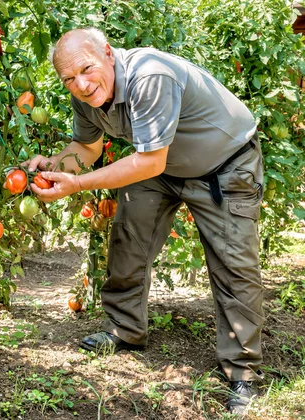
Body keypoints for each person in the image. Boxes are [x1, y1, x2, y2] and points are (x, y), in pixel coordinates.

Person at [24, 27, 264, 415]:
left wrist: (78, 184)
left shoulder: (151, 75)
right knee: (128, 241)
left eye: (86, 69)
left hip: (224, 165)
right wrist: (52, 167)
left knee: (234, 264)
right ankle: (125, 329)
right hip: (160, 165)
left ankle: (243, 372)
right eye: (69, 79)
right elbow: (87, 147)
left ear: (108, 53)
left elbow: (148, 160)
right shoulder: (85, 96)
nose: (81, 85)